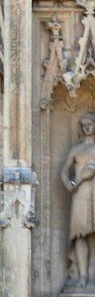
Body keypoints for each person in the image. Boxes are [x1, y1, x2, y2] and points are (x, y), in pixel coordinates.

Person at [60, 114, 95, 288]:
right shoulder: (77, 150)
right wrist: (68, 183)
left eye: (90, 124)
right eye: (84, 125)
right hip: (80, 193)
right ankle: (82, 276)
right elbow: (64, 170)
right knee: (80, 235)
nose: (87, 127)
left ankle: (92, 274)